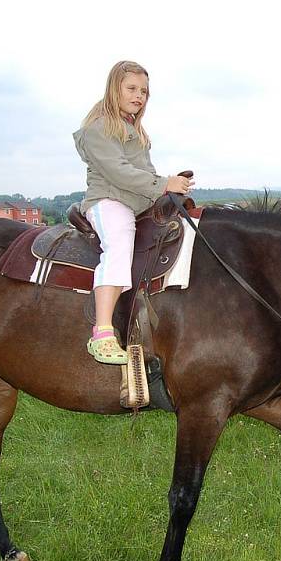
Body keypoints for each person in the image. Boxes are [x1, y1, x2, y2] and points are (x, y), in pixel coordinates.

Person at [73, 60, 193, 364]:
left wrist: (167, 191)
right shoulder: (98, 128)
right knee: (120, 243)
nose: (139, 95)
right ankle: (101, 332)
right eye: (132, 88)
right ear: (115, 88)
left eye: (144, 91)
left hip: (136, 204)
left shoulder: (136, 132)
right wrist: (165, 183)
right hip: (109, 201)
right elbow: (119, 173)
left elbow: (145, 173)